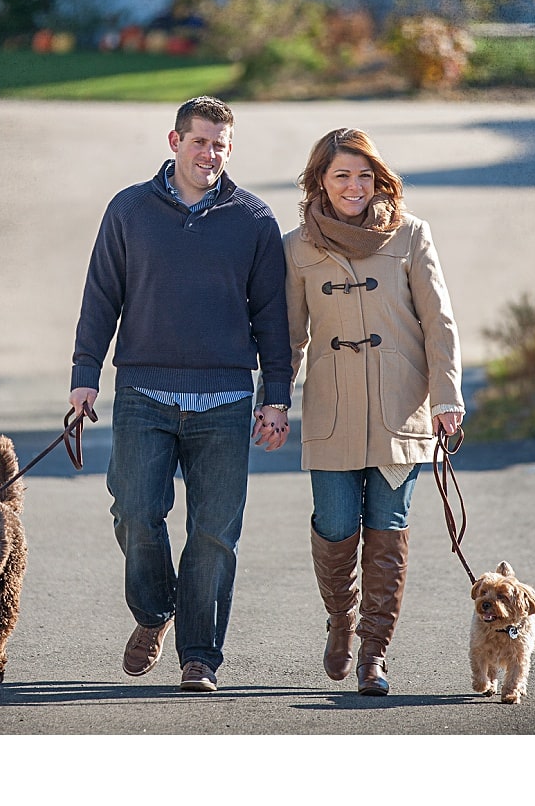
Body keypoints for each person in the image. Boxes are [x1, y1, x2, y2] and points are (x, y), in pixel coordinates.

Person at [70, 96, 292, 693]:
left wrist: (277, 397)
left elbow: (273, 319)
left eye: (221, 144)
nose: (210, 154)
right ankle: (153, 612)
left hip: (223, 400)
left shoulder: (254, 220)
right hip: (143, 391)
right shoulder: (130, 210)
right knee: (136, 512)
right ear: (174, 142)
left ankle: (200, 656)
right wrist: (84, 374)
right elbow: (101, 296)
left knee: (215, 534)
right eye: (200, 141)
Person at [285, 127, 464, 696]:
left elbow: (439, 323)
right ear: (320, 180)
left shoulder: (411, 235)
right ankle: (340, 619)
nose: (354, 186)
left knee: (387, 530)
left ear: (379, 177)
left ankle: (374, 655)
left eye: (364, 174)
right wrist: (272, 401)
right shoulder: (296, 248)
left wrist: (448, 398)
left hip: (400, 412)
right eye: (341, 175)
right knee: (336, 527)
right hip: (331, 412)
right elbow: (289, 337)